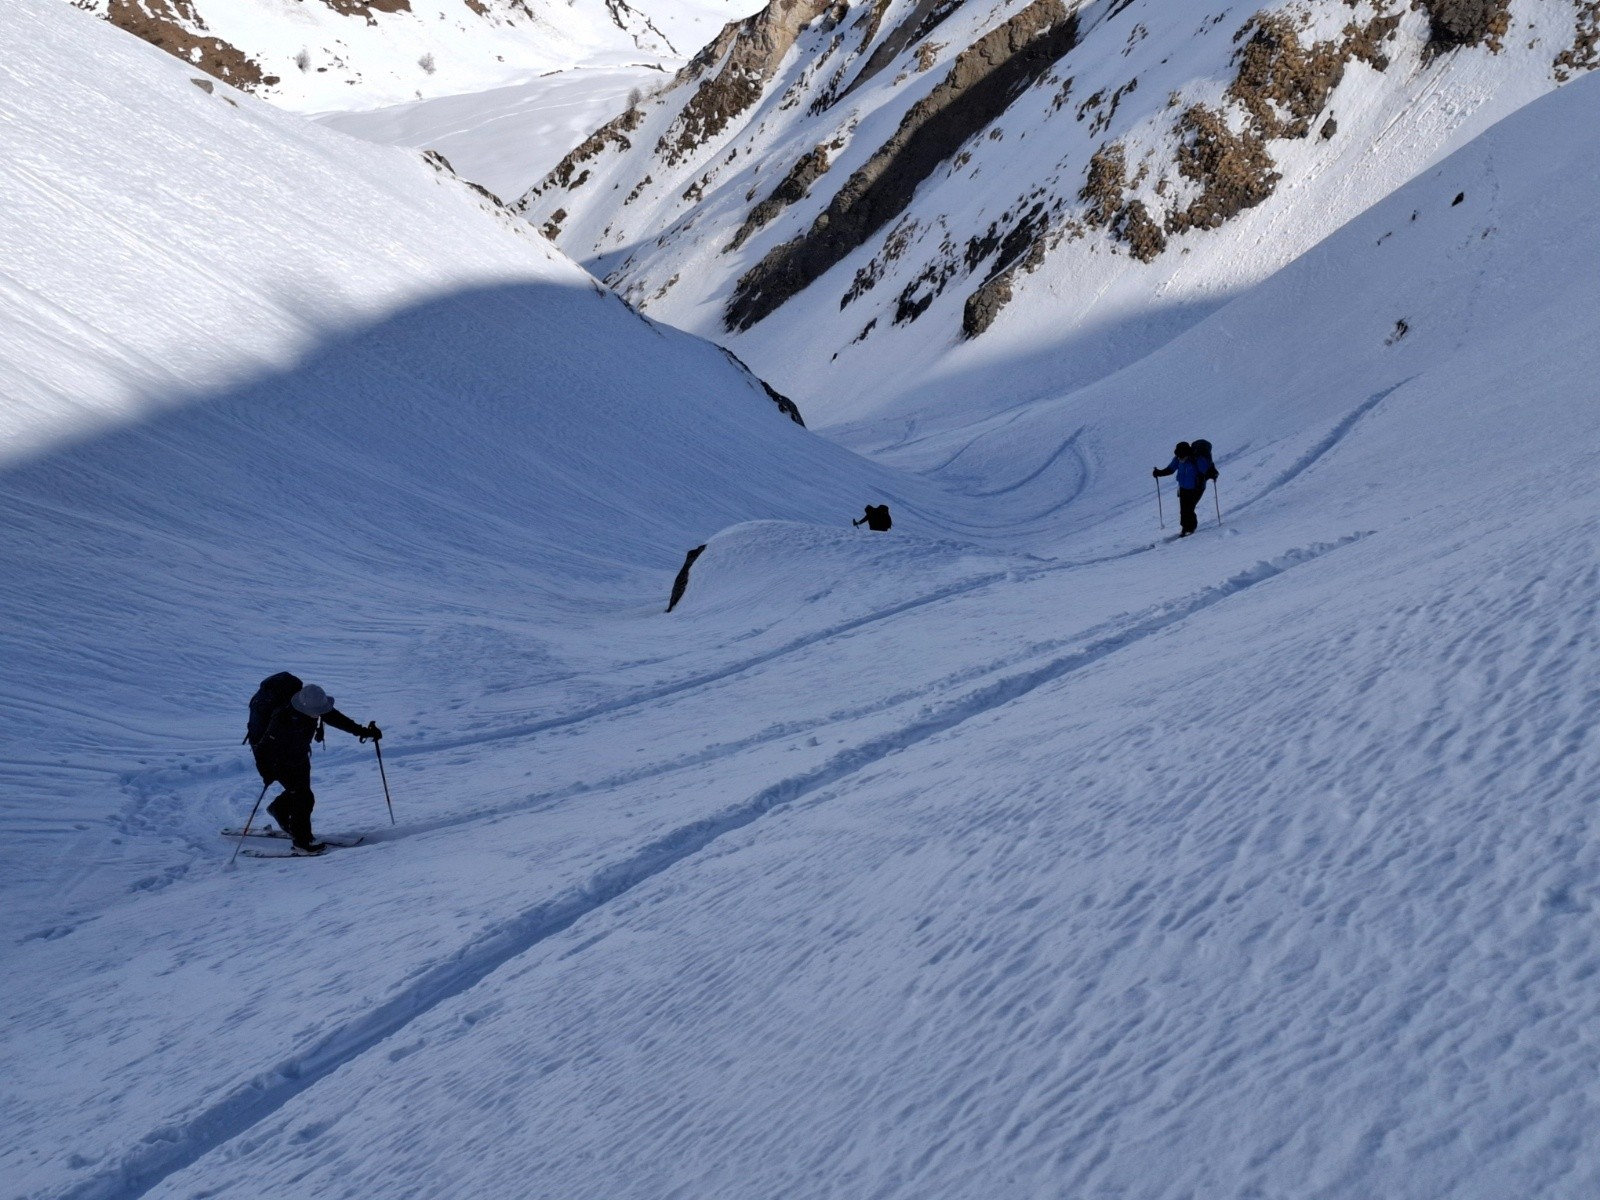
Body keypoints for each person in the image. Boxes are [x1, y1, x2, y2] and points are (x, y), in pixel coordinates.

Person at [248, 678, 381, 854]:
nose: (319, 714)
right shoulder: (282, 719)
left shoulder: (314, 706)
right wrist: (266, 771)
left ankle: (279, 810)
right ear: (303, 706)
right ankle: (302, 842)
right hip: (279, 760)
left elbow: (336, 718)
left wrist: (362, 731)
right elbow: (264, 749)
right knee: (303, 798)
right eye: (317, 712)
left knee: (300, 792)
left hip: (299, 755)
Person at [1153, 442, 1206, 537]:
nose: (1180, 459)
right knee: (1183, 509)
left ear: (1187, 453)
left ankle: (1190, 528)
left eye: (1182, 456)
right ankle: (1185, 528)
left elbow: (1207, 469)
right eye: (1178, 456)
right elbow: (1170, 469)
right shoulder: (1178, 459)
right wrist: (1158, 473)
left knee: (1189, 509)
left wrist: (1213, 474)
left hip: (1196, 488)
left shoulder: (1196, 460)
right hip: (1183, 488)